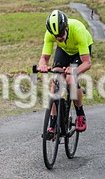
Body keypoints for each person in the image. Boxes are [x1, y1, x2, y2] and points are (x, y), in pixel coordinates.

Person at [37, 9, 93, 137]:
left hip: (80, 52)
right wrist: (42, 65)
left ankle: (80, 114)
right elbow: (44, 57)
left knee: (70, 80)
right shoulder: (51, 34)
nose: (59, 38)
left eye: (61, 33)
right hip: (64, 51)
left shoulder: (78, 31)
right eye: (56, 36)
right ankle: (52, 123)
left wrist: (74, 70)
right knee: (55, 80)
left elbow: (87, 63)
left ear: (66, 27)